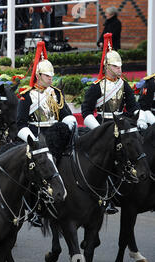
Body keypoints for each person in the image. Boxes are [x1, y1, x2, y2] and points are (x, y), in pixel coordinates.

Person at [81, 34, 146, 214]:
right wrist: (97, 128)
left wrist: (138, 119)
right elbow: (86, 110)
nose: (119, 69)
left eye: (120, 66)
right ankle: (105, 194)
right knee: (107, 157)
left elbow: (133, 106)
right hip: (103, 126)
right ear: (107, 67)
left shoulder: (123, 85)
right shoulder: (96, 87)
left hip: (122, 126)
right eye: (116, 66)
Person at [17, 41, 76, 226]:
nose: (51, 78)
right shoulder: (27, 96)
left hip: (56, 136)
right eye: (47, 75)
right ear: (38, 75)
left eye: (52, 75)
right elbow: (20, 123)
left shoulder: (56, 94)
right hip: (37, 138)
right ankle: (34, 208)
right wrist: (32, 140)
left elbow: (66, 114)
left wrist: (71, 124)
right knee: (35, 171)